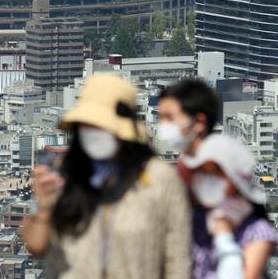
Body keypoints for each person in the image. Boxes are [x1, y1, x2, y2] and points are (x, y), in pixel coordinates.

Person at [23, 74, 191, 279]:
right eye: (87, 125)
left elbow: (178, 257)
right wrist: (44, 208)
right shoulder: (64, 174)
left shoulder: (159, 179)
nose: (94, 133)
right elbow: (36, 246)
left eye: (102, 126)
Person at [185, 135, 277, 279]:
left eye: (215, 173)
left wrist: (223, 235)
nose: (207, 179)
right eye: (202, 172)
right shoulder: (196, 221)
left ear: (236, 182)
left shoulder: (258, 230)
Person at [157, 79, 220, 182]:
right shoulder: (186, 166)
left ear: (199, 122)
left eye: (170, 118)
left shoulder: (220, 172)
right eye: (161, 118)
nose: (163, 125)